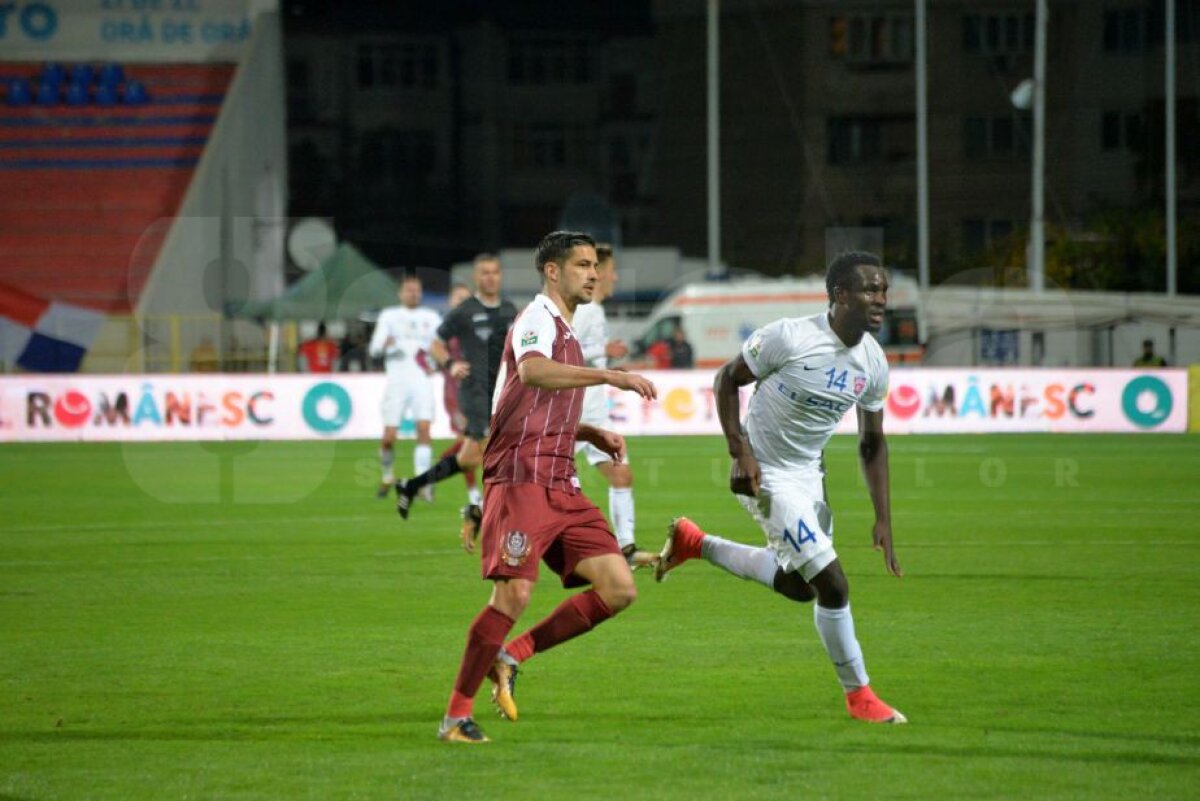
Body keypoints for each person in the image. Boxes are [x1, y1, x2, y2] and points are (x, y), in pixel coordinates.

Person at [655, 250, 907, 725]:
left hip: (808, 474)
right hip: (764, 472)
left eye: (884, 290)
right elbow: (726, 379)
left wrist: (884, 519)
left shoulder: (873, 362)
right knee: (833, 585)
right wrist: (740, 451)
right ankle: (860, 696)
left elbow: (872, 442)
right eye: (870, 290)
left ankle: (697, 544)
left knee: (799, 586)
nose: (881, 300)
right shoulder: (789, 337)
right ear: (840, 296)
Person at [436, 230, 657, 743]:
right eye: (581, 264)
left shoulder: (568, 331)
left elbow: (519, 402)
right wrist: (611, 377)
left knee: (619, 586)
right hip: (521, 475)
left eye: (595, 265)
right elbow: (533, 373)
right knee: (513, 594)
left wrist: (585, 430)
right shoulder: (536, 318)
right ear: (552, 271)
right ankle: (454, 718)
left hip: (560, 477)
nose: (593, 273)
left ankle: (511, 656)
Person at [395, 254, 518, 542]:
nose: (490, 277)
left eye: (495, 272)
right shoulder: (464, 310)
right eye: (485, 273)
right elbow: (434, 342)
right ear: (477, 277)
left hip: (501, 392)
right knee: (494, 454)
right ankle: (487, 517)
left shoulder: (510, 309)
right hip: (474, 392)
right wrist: (450, 363)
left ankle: (410, 486)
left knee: (468, 458)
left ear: (500, 276)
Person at [570, 244, 655, 568]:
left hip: (595, 411)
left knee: (622, 475)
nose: (615, 276)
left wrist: (610, 372)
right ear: (600, 272)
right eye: (612, 270)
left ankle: (627, 548)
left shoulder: (595, 309)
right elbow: (566, 352)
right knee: (551, 485)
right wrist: (603, 350)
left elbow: (589, 357)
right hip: (575, 411)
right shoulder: (586, 309)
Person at [368, 276, 441, 499]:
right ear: (400, 293)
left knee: (424, 429)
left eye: (417, 290)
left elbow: (441, 345)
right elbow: (374, 349)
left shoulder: (431, 317)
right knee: (389, 437)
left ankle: (421, 483)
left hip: (421, 380)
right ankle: (387, 474)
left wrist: (436, 362)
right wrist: (384, 345)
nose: (413, 294)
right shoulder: (389, 316)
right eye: (409, 290)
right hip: (397, 382)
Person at [437, 282, 483, 533]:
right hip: (457, 395)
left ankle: (434, 473)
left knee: (472, 444)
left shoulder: (477, 326)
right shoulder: (448, 329)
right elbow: (427, 352)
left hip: (479, 393)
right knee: (473, 443)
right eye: (458, 299)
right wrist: (445, 363)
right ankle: (475, 498)